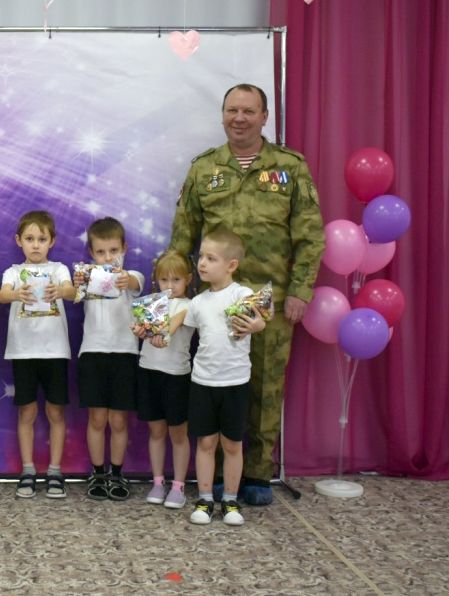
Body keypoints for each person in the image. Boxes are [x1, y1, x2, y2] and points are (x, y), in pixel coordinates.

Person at [169, 83, 325, 506]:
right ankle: (218, 477)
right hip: (215, 302)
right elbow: (183, 235)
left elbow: (310, 236)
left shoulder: (290, 166)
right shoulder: (205, 168)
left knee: (265, 387)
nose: (240, 118)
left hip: (269, 299)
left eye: (249, 111)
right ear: (223, 115)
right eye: (232, 110)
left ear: (264, 116)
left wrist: (301, 290)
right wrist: (174, 292)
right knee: (217, 385)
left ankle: (255, 474)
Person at [183, 230, 265, 526]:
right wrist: (152, 332)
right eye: (201, 257)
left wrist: (256, 326)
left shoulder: (241, 295)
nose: (202, 263)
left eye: (211, 258)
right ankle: (205, 499)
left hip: (235, 383)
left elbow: (259, 321)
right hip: (203, 382)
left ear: (231, 265)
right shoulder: (197, 302)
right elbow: (184, 335)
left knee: (232, 444)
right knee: (205, 443)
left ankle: (230, 501)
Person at [0, 211, 75, 499]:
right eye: (29, 239)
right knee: (27, 412)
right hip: (24, 352)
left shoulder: (58, 270)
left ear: (52, 241)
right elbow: (2, 295)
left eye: (42, 239)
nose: (35, 245)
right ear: (19, 241)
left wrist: (62, 292)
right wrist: (16, 294)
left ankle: (55, 471)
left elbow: (71, 291)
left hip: (54, 351)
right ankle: (28, 470)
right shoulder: (13, 272)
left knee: (55, 411)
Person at [71, 217, 144, 501]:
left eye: (114, 250)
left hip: (124, 355)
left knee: (118, 420)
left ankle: (117, 473)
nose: (108, 257)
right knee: (97, 418)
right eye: (101, 252)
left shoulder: (131, 276)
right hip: (92, 353)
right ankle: (98, 473)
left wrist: (126, 278)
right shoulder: (87, 278)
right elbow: (74, 294)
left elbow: (136, 282)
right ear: (91, 253)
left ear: (124, 248)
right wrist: (78, 283)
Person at [131, 251, 195, 510]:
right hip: (149, 371)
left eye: (176, 279)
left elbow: (174, 325)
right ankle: (158, 482)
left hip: (177, 376)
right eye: (164, 280)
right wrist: (139, 330)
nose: (170, 285)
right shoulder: (150, 304)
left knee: (178, 433)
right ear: (156, 280)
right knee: (156, 431)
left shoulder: (191, 305)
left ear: (188, 279)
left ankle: (178, 486)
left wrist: (162, 330)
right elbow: (141, 328)